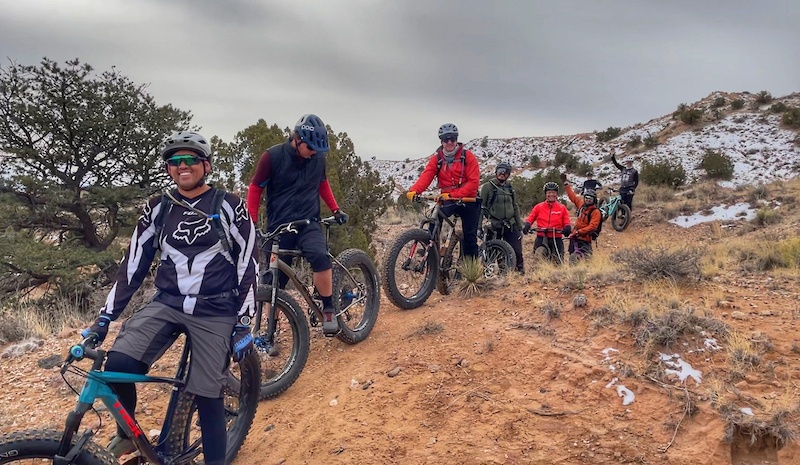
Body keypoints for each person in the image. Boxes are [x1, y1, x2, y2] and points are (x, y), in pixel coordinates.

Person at [83, 131, 258, 465]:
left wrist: (244, 323)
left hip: (215, 308)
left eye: (190, 159)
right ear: (169, 169)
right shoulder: (158, 208)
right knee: (118, 364)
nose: (183, 166)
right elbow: (132, 266)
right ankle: (126, 435)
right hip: (168, 302)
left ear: (205, 165)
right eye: (175, 161)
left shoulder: (230, 205)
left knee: (208, 395)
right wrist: (104, 318)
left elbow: (248, 262)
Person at [246, 114, 347, 336]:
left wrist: (336, 209)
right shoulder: (272, 157)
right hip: (279, 226)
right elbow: (255, 189)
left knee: (320, 257)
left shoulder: (318, 158)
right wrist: (250, 222)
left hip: (308, 222)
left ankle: (328, 308)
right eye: (310, 147)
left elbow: (323, 184)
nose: (314, 153)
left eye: (317, 149)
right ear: (297, 139)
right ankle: (270, 331)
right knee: (273, 280)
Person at [407, 123, 481, 258]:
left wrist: (453, 194)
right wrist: (415, 190)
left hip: (468, 199)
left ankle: (472, 266)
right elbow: (427, 175)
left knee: (470, 235)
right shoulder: (438, 159)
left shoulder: (468, 156)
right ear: (441, 141)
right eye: (446, 139)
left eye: (452, 139)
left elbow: (473, 183)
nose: (450, 142)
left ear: (456, 139)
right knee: (434, 219)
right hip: (448, 199)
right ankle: (431, 251)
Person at [479, 161, 524, 273]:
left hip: (510, 224)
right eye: (500, 171)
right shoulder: (488, 187)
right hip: (494, 224)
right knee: (493, 251)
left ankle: (519, 272)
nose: (502, 174)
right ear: (496, 172)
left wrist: (519, 227)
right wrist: (478, 227)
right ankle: (489, 272)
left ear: (508, 174)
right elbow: (481, 207)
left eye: (505, 172)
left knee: (517, 250)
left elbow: (515, 207)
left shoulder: (510, 187)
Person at [522, 182, 571, 262]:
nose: (551, 195)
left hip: (556, 238)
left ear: (556, 194)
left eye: (553, 193)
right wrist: (527, 224)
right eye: (549, 192)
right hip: (541, 237)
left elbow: (566, 220)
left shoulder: (562, 208)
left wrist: (567, 227)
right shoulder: (539, 207)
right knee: (538, 258)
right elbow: (531, 217)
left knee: (557, 261)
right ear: (545, 194)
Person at [562, 173, 602, 260]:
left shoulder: (596, 212)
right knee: (572, 254)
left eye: (590, 198)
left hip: (585, 238)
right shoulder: (581, 205)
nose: (588, 200)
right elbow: (573, 197)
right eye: (586, 197)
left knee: (588, 259)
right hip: (575, 236)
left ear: (594, 200)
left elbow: (593, 226)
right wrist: (566, 185)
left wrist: (580, 232)